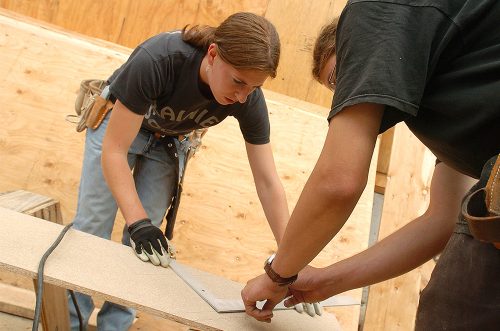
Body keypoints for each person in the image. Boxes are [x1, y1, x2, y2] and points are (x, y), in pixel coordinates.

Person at [241, 1, 500, 330]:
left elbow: (339, 183)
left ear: (352, 46)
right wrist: (326, 281)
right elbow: (443, 217)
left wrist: (278, 274)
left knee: (454, 314)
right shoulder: (451, 100)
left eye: (338, 78)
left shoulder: (374, 11)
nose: (344, 94)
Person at [68, 12, 295, 331]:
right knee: (91, 230)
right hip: (117, 128)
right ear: (213, 54)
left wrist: (293, 264)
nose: (242, 97)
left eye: (254, 87)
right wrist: (138, 222)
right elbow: (114, 150)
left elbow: (268, 183)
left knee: (146, 248)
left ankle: (114, 328)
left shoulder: (247, 99)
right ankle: (71, 324)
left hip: (169, 142)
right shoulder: (159, 58)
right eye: (238, 82)